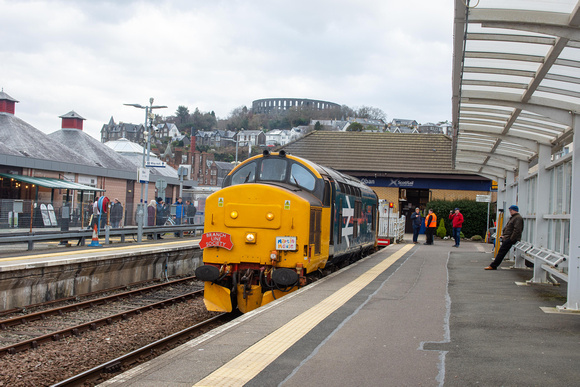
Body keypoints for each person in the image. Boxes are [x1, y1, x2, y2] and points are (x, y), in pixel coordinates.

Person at [485, 205, 524, 270]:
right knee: (501, 252)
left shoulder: (517, 218)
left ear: (515, 210)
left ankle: (493, 265)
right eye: (510, 210)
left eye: (511, 210)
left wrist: (511, 238)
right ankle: (494, 265)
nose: (510, 212)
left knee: (501, 252)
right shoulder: (514, 217)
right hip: (508, 237)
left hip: (509, 239)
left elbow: (517, 230)